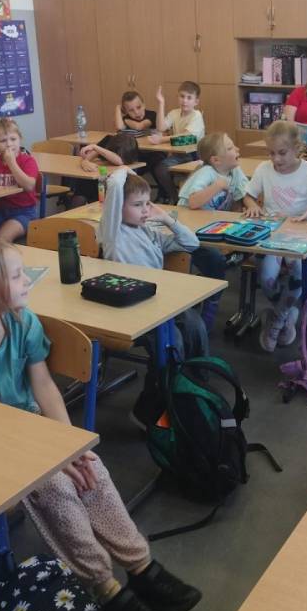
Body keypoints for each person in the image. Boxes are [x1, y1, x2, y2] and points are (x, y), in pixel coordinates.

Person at [0, 238, 202, 611]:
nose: (27, 281)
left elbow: (44, 387)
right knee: (56, 488)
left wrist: (69, 447)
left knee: (91, 468)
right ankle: (104, 587)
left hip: (29, 431)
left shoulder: (20, 320)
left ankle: (142, 567)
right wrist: (50, 459)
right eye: (16, 276)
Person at [100, 167, 208, 425]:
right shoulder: (112, 233)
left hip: (157, 305)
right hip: (128, 309)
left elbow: (192, 243)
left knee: (195, 325)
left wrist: (168, 220)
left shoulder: (150, 233)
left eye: (147, 204)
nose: (145, 210)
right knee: (172, 341)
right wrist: (124, 169)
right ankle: (148, 409)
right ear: (117, 207)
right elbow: (114, 185)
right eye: (137, 205)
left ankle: (193, 389)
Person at [243, 120, 307, 352]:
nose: (276, 159)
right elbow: (248, 196)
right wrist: (253, 205)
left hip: (301, 235)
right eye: (271, 153)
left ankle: (277, 319)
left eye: (282, 153)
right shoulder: (264, 169)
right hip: (272, 235)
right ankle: (288, 313)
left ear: (297, 148)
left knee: (300, 270)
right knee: (267, 277)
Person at [177, 132, 249, 332]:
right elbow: (193, 202)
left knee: (217, 263)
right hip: (187, 233)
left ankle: (206, 300)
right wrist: (217, 186)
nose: (237, 149)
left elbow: (244, 193)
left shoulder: (235, 171)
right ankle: (208, 309)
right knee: (216, 263)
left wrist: (251, 205)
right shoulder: (207, 173)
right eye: (230, 148)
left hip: (209, 231)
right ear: (216, 160)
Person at [150, 81, 206, 203]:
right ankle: (174, 197)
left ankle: (180, 198)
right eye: (182, 96)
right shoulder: (174, 113)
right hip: (179, 155)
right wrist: (161, 103)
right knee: (160, 168)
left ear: (196, 102)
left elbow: (185, 139)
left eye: (189, 98)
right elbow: (160, 127)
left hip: (194, 156)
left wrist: (161, 139)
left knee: (181, 175)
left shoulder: (196, 116)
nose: (184, 100)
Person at [71, 132, 139, 205]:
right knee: (85, 182)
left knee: (98, 185)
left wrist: (95, 147)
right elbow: (87, 158)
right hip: (98, 178)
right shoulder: (108, 140)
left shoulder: (129, 149)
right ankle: (78, 201)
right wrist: (85, 163)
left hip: (111, 183)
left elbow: (120, 161)